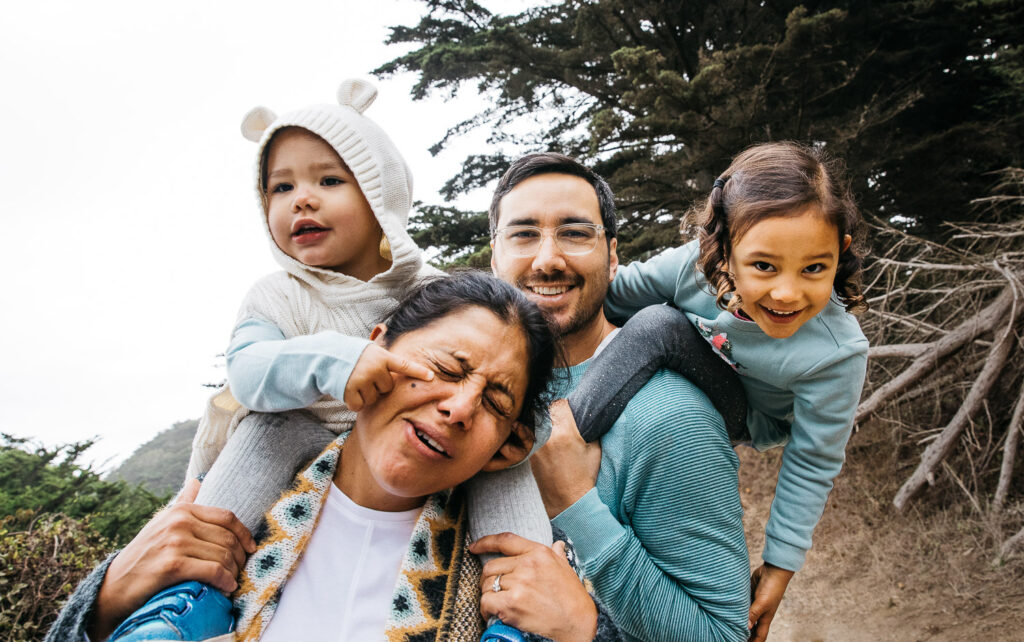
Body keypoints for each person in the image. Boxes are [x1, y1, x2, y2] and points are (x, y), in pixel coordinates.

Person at [101, 79, 551, 641]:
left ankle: (524, 619)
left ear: (381, 193)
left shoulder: (436, 293)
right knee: (261, 437)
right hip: (295, 424)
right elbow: (246, 371)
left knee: (501, 458)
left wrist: (517, 424)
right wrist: (337, 361)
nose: (301, 199)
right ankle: (186, 604)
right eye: (280, 186)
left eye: (329, 180)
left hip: (424, 455)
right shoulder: (278, 294)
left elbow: (508, 367)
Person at [47, 273, 622, 642]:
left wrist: (587, 631)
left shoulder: (530, 583)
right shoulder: (219, 519)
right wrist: (103, 603)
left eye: (496, 401)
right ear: (375, 345)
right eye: (447, 369)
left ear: (508, 440)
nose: (460, 407)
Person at [572, 142, 869, 640]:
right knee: (649, 321)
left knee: (658, 325)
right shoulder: (694, 266)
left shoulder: (838, 352)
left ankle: (562, 445)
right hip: (691, 374)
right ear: (723, 248)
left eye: (814, 268)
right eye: (765, 267)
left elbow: (813, 460)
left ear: (840, 250)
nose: (788, 293)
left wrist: (779, 567)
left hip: (748, 416)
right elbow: (616, 296)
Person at [485, 153, 751, 641]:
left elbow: (722, 634)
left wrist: (574, 503)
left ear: (612, 257)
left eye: (574, 233)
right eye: (523, 234)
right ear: (494, 255)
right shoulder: (459, 394)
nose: (547, 259)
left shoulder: (667, 414)